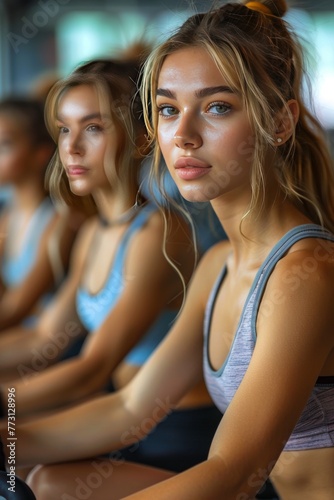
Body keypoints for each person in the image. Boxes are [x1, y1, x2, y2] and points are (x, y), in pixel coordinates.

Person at [2, 0, 334, 498]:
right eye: (168, 109)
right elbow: (130, 407)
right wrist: (8, 437)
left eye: (217, 107)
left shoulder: (306, 270)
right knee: (52, 481)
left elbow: (231, 470)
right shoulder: (221, 261)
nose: (183, 136)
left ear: (279, 123)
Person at [0, 51, 223, 474]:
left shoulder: (158, 232)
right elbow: (43, 339)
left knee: (38, 475)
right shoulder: (93, 232)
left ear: (140, 138)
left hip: (180, 428)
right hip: (121, 420)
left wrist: (3, 401)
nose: (71, 147)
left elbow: (92, 367)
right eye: (64, 129)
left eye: (93, 129)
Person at [0, 97, 82, 331]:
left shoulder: (59, 220)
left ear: (40, 154)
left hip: (47, 345)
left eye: (4, 144)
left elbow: (16, 309)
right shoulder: (8, 215)